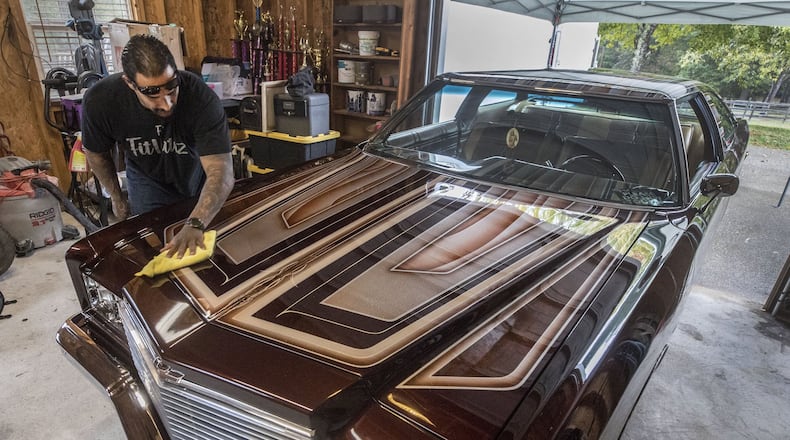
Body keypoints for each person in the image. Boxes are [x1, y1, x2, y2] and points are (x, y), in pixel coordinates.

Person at [81, 34, 234, 258]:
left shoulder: (200, 97)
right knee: (157, 247)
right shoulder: (102, 101)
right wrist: (116, 196)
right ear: (129, 83)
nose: (167, 103)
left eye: (171, 89)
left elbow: (221, 171)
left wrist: (196, 223)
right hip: (147, 178)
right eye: (153, 94)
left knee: (203, 243)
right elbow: (96, 153)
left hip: (196, 172)